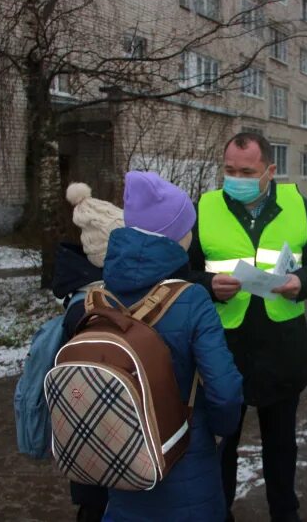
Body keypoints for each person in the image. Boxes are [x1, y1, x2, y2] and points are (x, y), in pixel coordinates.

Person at [188, 132, 307, 522]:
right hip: (222, 351)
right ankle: (219, 513)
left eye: (247, 171)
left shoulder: (296, 205)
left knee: (280, 448)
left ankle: (284, 513)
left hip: (281, 349)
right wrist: (207, 285)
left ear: (270, 171)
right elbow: (181, 271)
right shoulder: (204, 207)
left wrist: (301, 282)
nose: (236, 178)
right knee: (221, 447)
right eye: (229, 170)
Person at [80, 171, 243, 522]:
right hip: (185, 460)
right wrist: (219, 430)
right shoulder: (193, 299)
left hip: (118, 456)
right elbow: (225, 391)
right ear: (175, 236)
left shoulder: (95, 296)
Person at [51, 182, 126, 522]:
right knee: (97, 509)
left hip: (89, 444)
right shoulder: (93, 309)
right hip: (102, 439)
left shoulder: (82, 297)